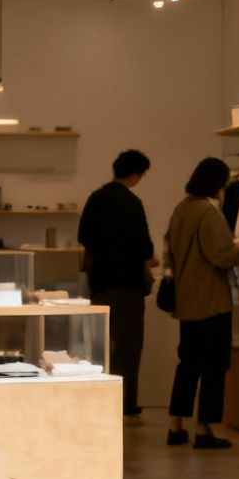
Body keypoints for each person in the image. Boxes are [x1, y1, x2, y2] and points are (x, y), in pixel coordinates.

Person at [163, 158, 239, 449]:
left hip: (186, 302)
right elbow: (222, 254)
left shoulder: (181, 209)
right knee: (213, 366)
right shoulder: (208, 212)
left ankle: (175, 426)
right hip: (211, 301)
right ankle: (205, 429)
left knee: (187, 365)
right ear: (218, 183)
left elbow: (169, 252)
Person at [80, 149, 156, 417]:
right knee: (129, 347)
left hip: (100, 283)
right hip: (129, 285)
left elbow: (84, 236)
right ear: (136, 174)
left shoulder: (96, 198)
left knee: (98, 347)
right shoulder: (132, 203)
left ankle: (96, 400)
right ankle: (125, 403)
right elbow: (144, 247)